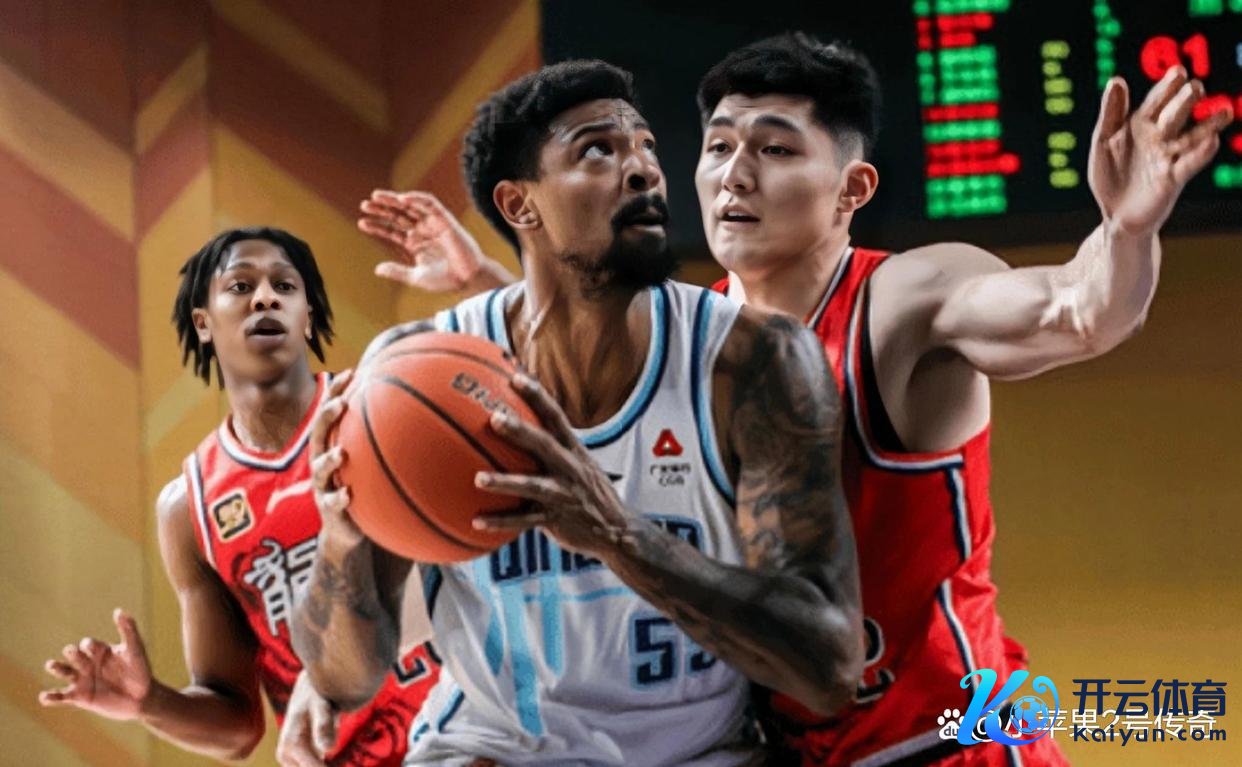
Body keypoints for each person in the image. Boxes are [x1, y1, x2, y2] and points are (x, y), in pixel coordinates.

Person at [359, 34, 1231, 767]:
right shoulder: (707, 343)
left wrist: (1127, 230)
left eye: (774, 150)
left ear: (852, 190)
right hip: (791, 745)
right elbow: (575, 370)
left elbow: (1075, 310)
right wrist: (494, 278)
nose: (734, 175)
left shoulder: (905, 301)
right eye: (718, 148)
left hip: (942, 740)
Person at [291, 60, 865, 766]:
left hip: (696, 752)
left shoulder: (753, 363)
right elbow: (343, 680)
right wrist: (343, 543)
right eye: (599, 150)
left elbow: (828, 668)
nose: (643, 170)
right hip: (494, 749)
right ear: (519, 205)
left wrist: (619, 536)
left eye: (646, 147)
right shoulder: (408, 378)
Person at [38, 228, 438, 766]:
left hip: (472, 734)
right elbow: (239, 727)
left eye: (285, 286)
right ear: (204, 323)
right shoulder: (189, 508)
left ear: (308, 316)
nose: (265, 297)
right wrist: (151, 703)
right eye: (241, 286)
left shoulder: (381, 406)